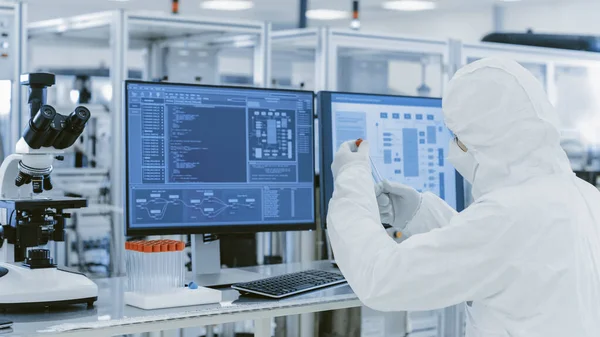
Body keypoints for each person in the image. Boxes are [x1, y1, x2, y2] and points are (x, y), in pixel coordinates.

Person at [327, 57, 600, 337]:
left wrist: (351, 179)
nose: (453, 148)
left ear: (486, 141)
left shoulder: (507, 216)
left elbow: (381, 278)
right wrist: (419, 213)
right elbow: (499, 256)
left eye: (458, 137)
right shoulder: (585, 197)